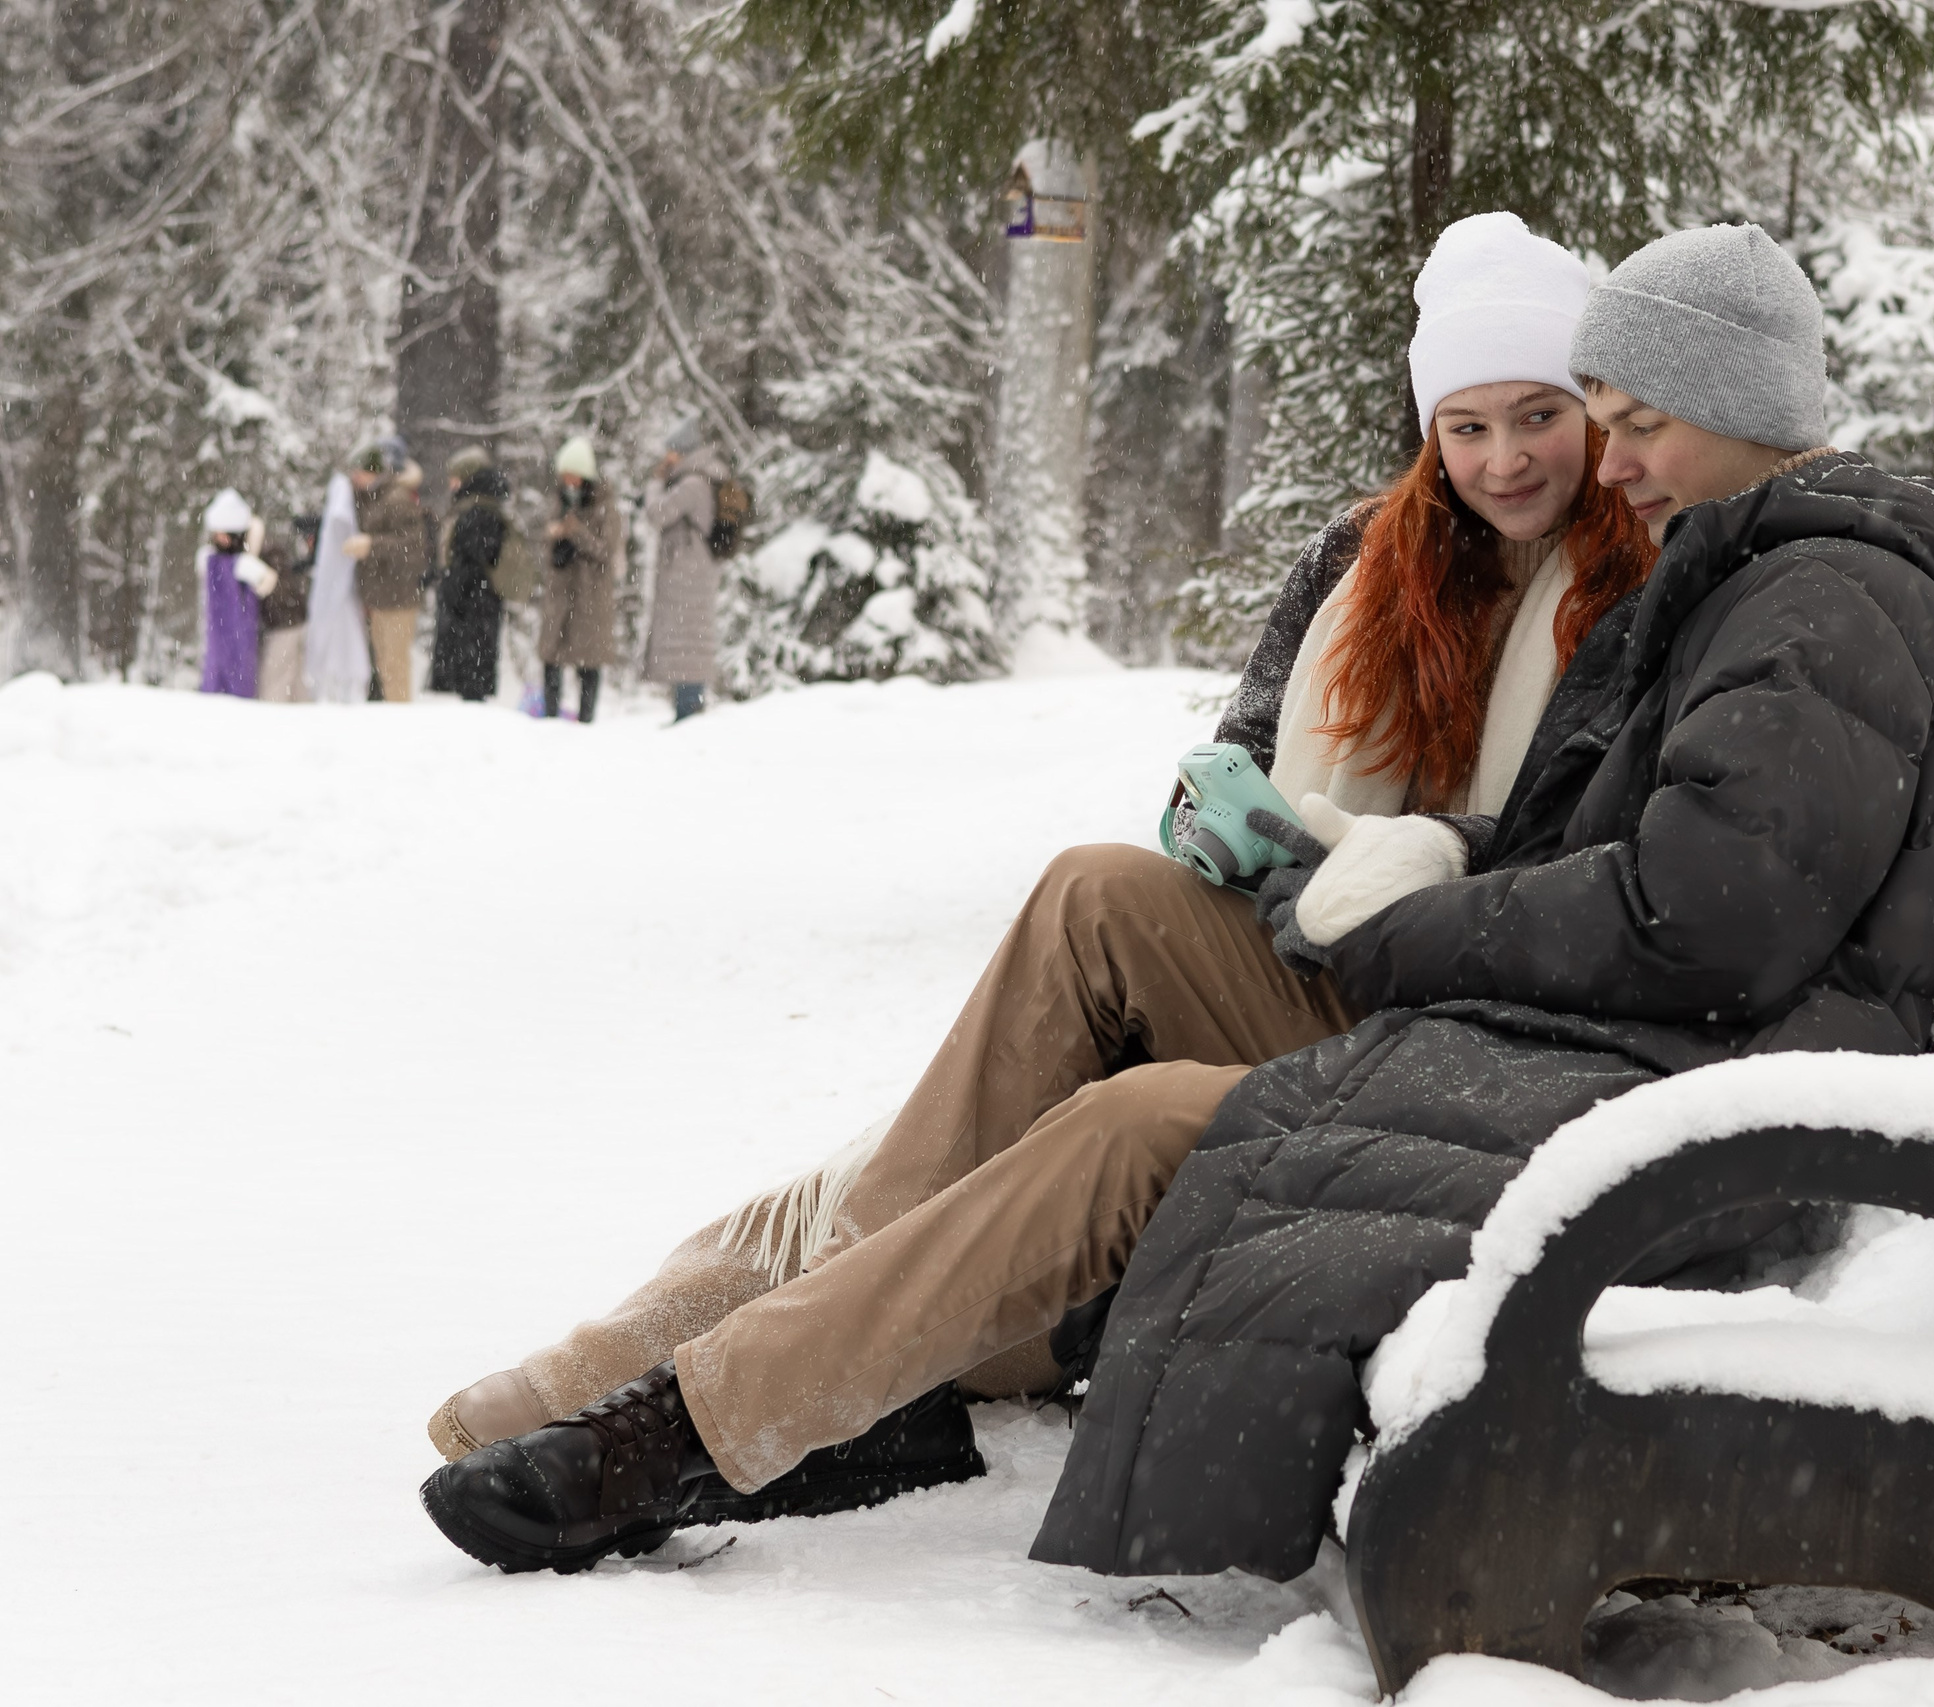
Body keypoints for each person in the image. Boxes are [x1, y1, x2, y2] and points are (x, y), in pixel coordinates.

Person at [418, 212, 1659, 1573]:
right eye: (1466, 426)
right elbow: (1247, 748)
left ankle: (723, 1365)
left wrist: (1412, 854)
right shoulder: (1368, 558)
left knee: (982, 1156)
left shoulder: (1627, 581)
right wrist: (1223, 815)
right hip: (1306, 950)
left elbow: (1572, 839)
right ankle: (715, 1333)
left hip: (1441, 1012)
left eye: (1537, 414)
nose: (1504, 458)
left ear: (1592, 411)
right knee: (1090, 889)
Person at [1031, 223, 1934, 1578]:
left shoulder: (1818, 602)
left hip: (1721, 1105)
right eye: (1592, 423)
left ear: (1742, 410)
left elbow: (1706, 918)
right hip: (1670, 1059)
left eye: (1635, 425)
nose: (1601, 465)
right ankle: (867, 1346)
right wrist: (1395, 868)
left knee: (1211, 1136)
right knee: (1209, 1065)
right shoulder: (1766, 581)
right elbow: (1639, 862)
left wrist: (1403, 932)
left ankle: (956, 1412)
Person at [640, 418, 722, 723]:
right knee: (688, 645)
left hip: (688, 577)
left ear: (684, 451)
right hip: (692, 575)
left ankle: (688, 715)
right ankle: (686, 713)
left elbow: (657, 513)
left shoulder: (693, 484)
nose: (666, 458)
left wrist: (655, 483)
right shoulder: (702, 478)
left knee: (688, 647)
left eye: (671, 451)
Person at [539, 436, 623, 723]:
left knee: (589, 661)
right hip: (560, 592)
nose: (567, 482)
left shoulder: (605, 507)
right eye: (563, 476)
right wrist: (554, 535)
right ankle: (549, 717)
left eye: (572, 475)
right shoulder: (559, 502)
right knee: (551, 657)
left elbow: (605, 550)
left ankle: (587, 720)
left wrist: (576, 531)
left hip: (590, 597)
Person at [344, 441, 432, 702]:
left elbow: (414, 549)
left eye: (358, 472)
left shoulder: (396, 499)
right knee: (384, 667)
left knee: (394, 667)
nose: (354, 478)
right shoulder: (373, 498)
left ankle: (401, 723)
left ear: (373, 472)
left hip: (398, 598)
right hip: (380, 598)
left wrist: (372, 545)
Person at [427, 448, 512, 703]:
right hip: (476, 605)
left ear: (468, 477)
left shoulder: (478, 510)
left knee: (471, 688)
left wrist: (451, 586)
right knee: (470, 684)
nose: (450, 482)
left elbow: (473, 559)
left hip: (472, 607)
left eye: (455, 476)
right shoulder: (478, 505)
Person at [302, 466, 374, 704]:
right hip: (339, 590)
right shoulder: (343, 513)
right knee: (341, 649)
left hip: (340, 591)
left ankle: (342, 693)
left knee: (343, 649)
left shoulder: (342, 516)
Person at [195, 490, 274, 700]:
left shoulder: (242, 564)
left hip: (239, 638)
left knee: (238, 684)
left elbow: (266, 581)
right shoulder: (210, 559)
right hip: (218, 638)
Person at [257, 514, 319, 703]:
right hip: (297, 622)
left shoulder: (269, 557)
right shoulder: (281, 556)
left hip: (284, 625)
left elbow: (281, 594)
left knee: (274, 681)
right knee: (296, 682)